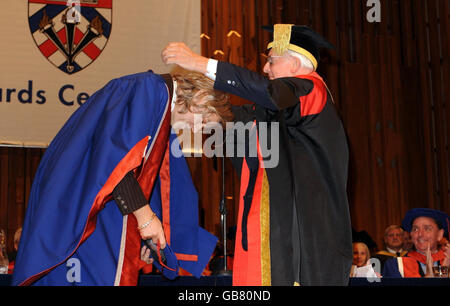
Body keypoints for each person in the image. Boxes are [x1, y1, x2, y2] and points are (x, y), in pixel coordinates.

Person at [162, 24, 353, 286]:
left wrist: (200, 63)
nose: (265, 69)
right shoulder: (279, 108)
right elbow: (244, 120)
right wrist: (208, 115)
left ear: (295, 66)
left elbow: (270, 96)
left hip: (307, 238)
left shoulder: (312, 92)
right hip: (279, 233)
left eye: (272, 62)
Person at [12, 70, 232, 286]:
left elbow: (139, 179)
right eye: (203, 120)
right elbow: (114, 159)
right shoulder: (148, 89)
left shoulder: (159, 108)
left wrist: (140, 240)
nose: (197, 128)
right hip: (82, 210)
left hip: (98, 212)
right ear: (202, 96)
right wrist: (146, 218)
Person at [383, 208, 450, 277]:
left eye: (427, 229)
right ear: (411, 235)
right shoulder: (396, 265)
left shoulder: (447, 261)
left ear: (439, 235)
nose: (420, 234)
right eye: (415, 229)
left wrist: (443, 271)